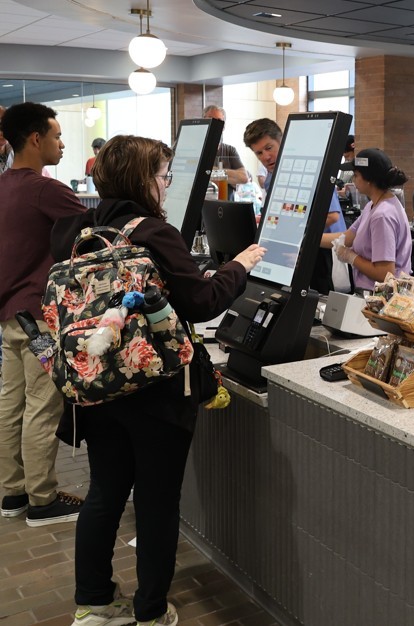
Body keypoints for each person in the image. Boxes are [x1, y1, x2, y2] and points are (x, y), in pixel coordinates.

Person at [51, 135, 265, 626]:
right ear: (143, 180)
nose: (166, 184)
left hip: (96, 384)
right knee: (157, 502)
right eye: (163, 175)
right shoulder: (153, 232)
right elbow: (202, 303)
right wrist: (239, 267)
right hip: (156, 388)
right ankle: (150, 611)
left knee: (104, 493)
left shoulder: (75, 231)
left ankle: (93, 604)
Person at [0, 102, 87, 528]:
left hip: (10, 315)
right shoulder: (44, 189)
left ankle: (13, 492)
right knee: (42, 405)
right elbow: (96, 232)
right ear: (36, 139)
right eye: (57, 136)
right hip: (40, 318)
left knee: (11, 402)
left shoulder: (3, 185)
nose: (62, 144)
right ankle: (43, 499)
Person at [243, 118, 346, 294]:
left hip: (324, 251)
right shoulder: (270, 177)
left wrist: (296, 236)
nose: (265, 157)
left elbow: (332, 216)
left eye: (269, 148)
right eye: (259, 153)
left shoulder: (311, 168)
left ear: (282, 141)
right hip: (294, 249)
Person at [325, 149, 413, 291]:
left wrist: (351, 257)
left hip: (380, 295)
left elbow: (385, 273)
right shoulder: (373, 205)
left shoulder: (382, 215)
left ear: (369, 179)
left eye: (356, 175)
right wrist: (308, 239)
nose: (353, 180)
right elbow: (347, 237)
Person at [202, 105, 248, 193]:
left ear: (223, 127)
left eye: (219, 121)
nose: (215, 124)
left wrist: (208, 170)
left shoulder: (230, 150)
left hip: (225, 200)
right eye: (211, 119)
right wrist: (229, 177)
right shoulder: (195, 149)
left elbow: (243, 178)